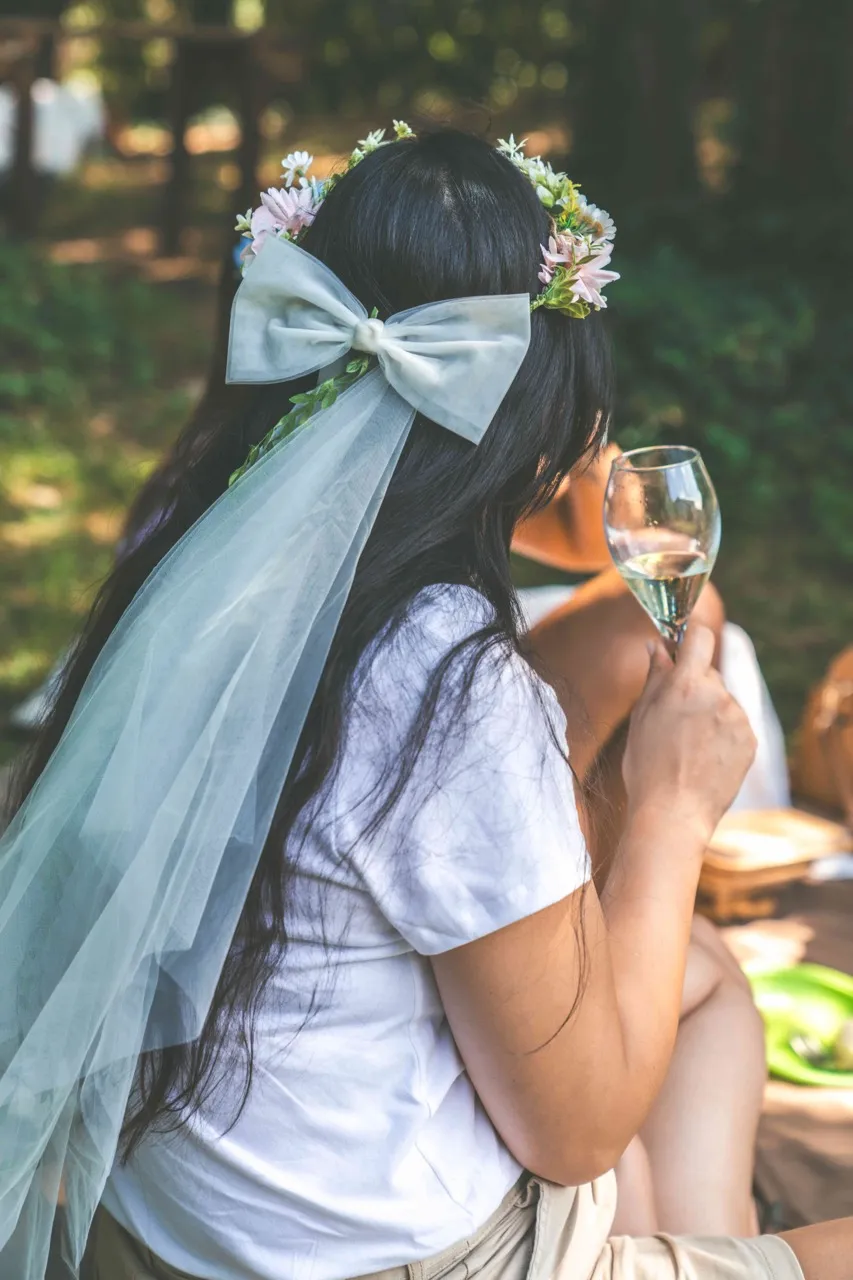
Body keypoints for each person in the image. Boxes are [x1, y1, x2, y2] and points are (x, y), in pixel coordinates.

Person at [3, 128, 850, 1280]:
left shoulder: (207, 567)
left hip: (172, 1231)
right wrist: (670, 809)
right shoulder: (450, 685)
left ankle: (699, 1248)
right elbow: (578, 1126)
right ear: (534, 416)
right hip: (400, 1263)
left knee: (694, 961)